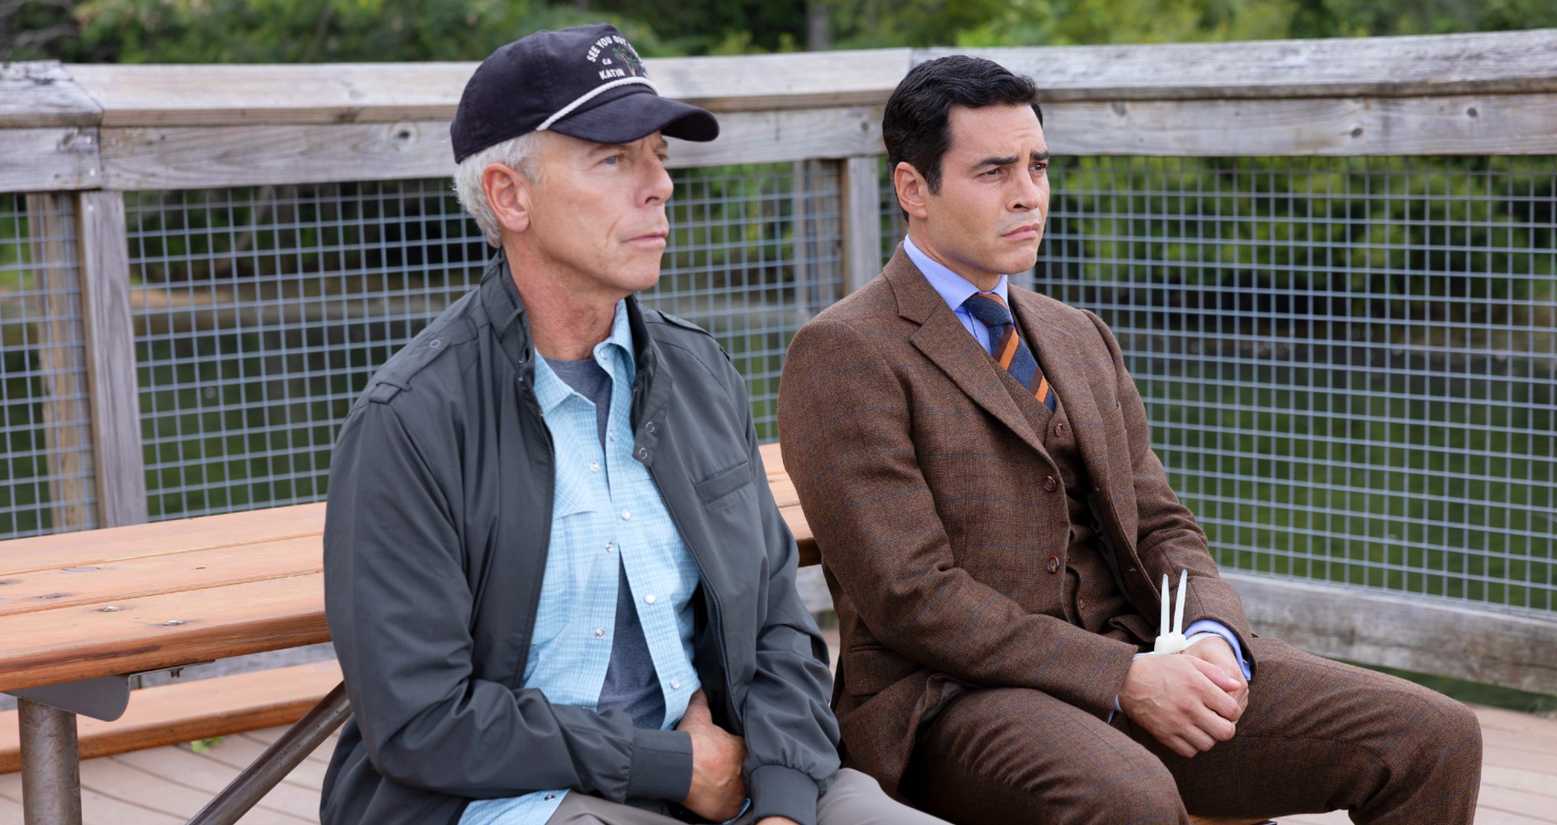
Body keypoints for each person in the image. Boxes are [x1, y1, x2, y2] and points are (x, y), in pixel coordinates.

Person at [777, 54, 1483, 825]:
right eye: (993, 172)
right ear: (914, 189)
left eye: (1038, 166)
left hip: (1150, 649)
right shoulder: (845, 351)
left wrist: (1214, 635)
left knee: (1433, 735)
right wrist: (1122, 676)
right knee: (1127, 797)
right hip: (952, 698)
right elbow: (912, 598)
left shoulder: (1079, 336)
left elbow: (1161, 523)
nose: (1028, 195)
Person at [320, 24, 947, 825]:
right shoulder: (408, 420)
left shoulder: (697, 375)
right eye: (614, 159)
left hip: (735, 774)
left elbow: (778, 632)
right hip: (511, 798)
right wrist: (668, 764)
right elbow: (420, 720)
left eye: (658, 154)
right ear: (510, 195)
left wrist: (785, 802)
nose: (659, 185)